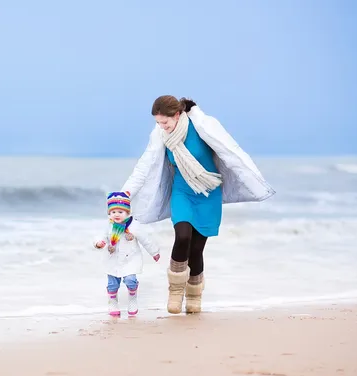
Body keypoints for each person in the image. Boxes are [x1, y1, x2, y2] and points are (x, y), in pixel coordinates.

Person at [121, 95, 275, 314]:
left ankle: (194, 297)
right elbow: (144, 166)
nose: (161, 127)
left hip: (208, 191)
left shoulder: (203, 125)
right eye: (157, 123)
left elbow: (231, 151)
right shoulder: (160, 136)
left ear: (177, 115)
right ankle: (175, 291)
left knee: (196, 250)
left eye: (165, 122)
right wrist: (126, 192)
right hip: (182, 191)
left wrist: (255, 180)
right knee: (182, 236)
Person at [94, 191, 161, 317]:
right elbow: (100, 236)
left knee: (131, 280)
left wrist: (154, 252)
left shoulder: (134, 226)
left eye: (120, 212)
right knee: (112, 284)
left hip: (130, 259)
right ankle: (113, 302)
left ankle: (132, 299)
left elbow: (145, 239)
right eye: (113, 212)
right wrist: (99, 243)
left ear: (127, 212)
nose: (117, 215)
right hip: (112, 259)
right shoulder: (109, 226)